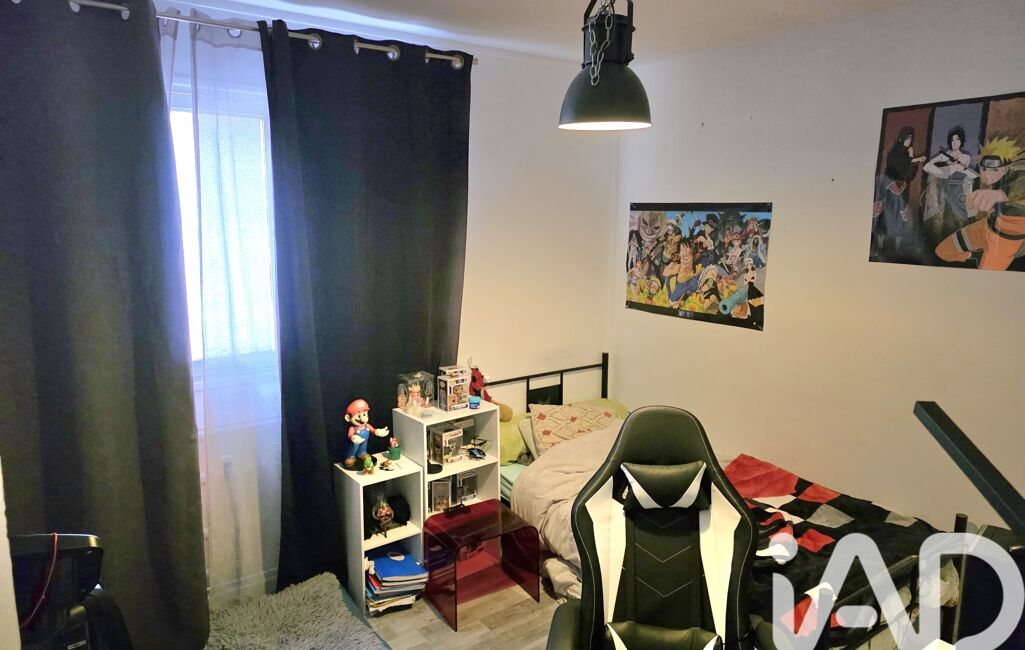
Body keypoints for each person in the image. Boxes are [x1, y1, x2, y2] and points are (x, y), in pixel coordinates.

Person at [935, 137, 1025, 270]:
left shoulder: (1019, 180)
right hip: (987, 226)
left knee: (986, 277)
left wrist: (1003, 200)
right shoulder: (989, 181)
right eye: (984, 169)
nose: (987, 174)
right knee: (943, 251)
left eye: (995, 170)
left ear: (1005, 169)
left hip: (1007, 236)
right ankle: (976, 255)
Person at [873, 126, 927, 259]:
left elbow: (909, 174)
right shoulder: (894, 152)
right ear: (902, 138)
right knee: (886, 217)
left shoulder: (906, 154)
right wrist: (914, 159)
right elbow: (898, 164)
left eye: (911, 139)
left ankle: (897, 248)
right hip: (890, 190)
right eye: (907, 138)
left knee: (900, 217)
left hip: (902, 191)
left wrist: (911, 157)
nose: (909, 141)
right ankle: (879, 246)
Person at [922, 126, 975, 241]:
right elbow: (927, 167)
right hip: (943, 189)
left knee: (958, 218)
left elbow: (956, 168)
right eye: (952, 140)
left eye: (957, 139)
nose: (955, 142)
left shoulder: (965, 156)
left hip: (958, 190)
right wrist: (945, 167)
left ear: (961, 141)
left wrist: (945, 166)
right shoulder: (943, 155)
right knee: (939, 220)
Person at [344, 399, 389, 468]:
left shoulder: (367, 425)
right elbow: (350, 435)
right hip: (355, 442)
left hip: (364, 443)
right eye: (359, 416)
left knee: (363, 447)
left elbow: (373, 430)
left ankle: (362, 453)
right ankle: (351, 456)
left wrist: (378, 432)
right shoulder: (353, 428)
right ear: (348, 418)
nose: (363, 418)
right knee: (353, 447)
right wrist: (353, 437)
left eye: (364, 414)